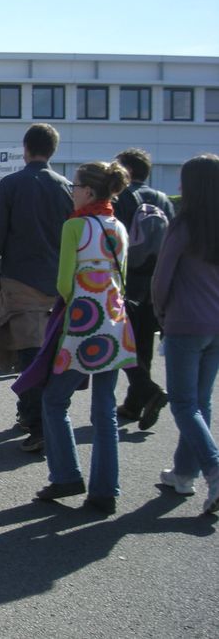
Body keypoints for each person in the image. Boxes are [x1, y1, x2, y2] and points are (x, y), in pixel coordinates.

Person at [35, 161, 136, 516]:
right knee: (104, 409)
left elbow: (64, 284)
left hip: (81, 323)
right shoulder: (118, 226)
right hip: (114, 323)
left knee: (54, 399)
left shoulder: (75, 226)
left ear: (89, 191)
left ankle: (66, 475)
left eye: (75, 186)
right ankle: (105, 490)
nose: (72, 191)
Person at [0, 123, 73, 452]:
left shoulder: (11, 185)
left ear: (26, 147)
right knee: (47, 351)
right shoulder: (67, 188)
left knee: (28, 352)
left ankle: (37, 422)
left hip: (20, 280)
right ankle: (33, 415)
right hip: (58, 283)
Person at [151, 153, 219, 515]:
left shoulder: (184, 225)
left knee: (183, 403)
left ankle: (213, 468)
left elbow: (162, 278)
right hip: (216, 326)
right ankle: (183, 473)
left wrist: (161, 313)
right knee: (200, 402)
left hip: (184, 323)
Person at [112, 148, 177, 431]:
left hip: (129, 281)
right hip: (158, 281)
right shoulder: (163, 199)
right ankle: (135, 403)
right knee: (143, 344)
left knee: (121, 342)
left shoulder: (124, 198)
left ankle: (147, 390)